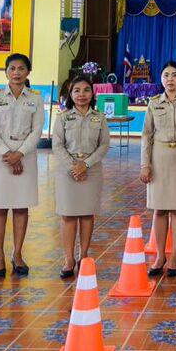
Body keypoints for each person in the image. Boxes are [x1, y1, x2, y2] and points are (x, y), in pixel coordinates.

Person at [0, 53, 44, 277]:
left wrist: (19, 154)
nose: (17, 73)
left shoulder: (35, 98)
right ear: (6, 72)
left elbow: (37, 130)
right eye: (12, 68)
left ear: (28, 72)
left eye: (21, 68)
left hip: (25, 155)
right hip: (0, 157)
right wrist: (8, 154)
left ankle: (17, 254)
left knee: (20, 207)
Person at [140, 61, 176, 277]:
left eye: (174, 75)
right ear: (161, 78)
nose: (170, 79)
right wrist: (145, 164)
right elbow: (146, 135)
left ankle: (174, 255)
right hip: (159, 159)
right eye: (166, 75)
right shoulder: (154, 102)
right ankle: (160, 255)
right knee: (160, 208)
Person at [52, 75, 110, 279]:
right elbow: (57, 145)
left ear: (92, 93)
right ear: (70, 93)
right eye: (77, 90)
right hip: (68, 172)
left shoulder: (100, 118)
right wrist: (74, 166)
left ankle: (83, 256)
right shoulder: (62, 117)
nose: (82, 94)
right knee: (68, 215)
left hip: (91, 170)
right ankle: (69, 259)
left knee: (86, 215)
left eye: (86, 90)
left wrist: (85, 165)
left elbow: (104, 145)